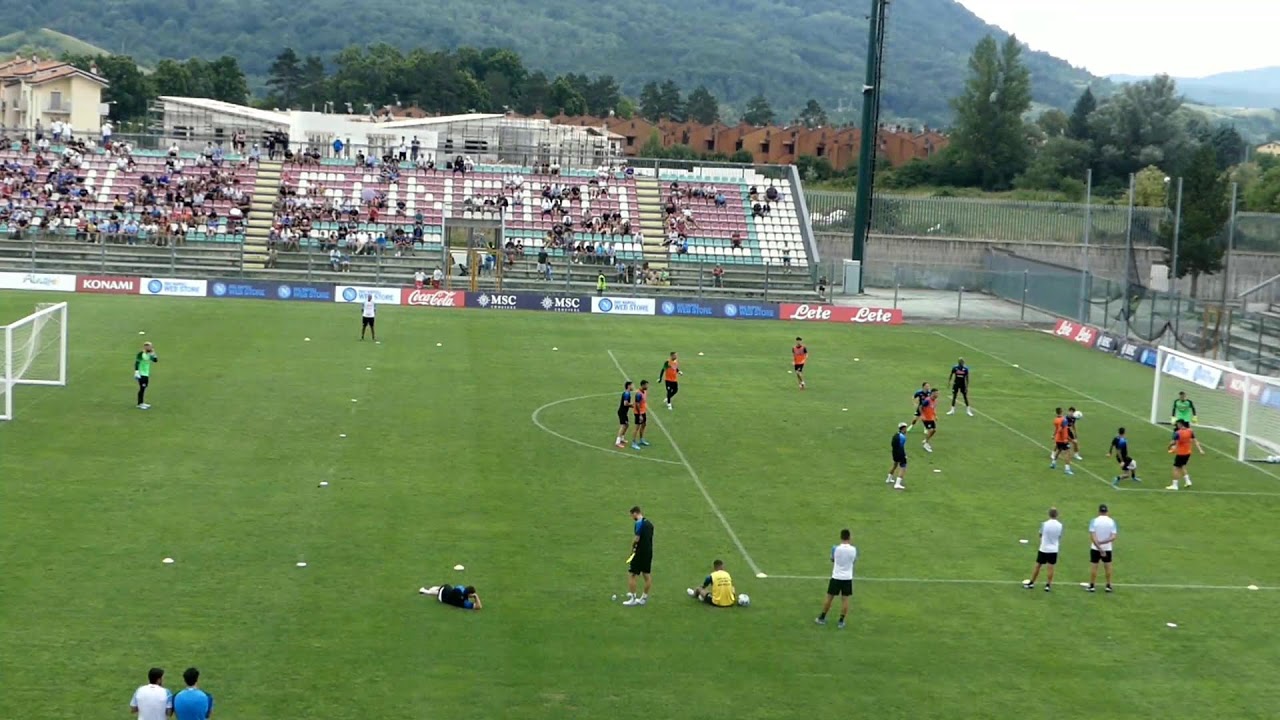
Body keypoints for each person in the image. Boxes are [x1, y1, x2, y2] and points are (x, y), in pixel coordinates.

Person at [816, 528, 857, 629]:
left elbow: (832, 559)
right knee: (845, 600)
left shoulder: (835, 548)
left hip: (836, 577)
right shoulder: (854, 549)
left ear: (841, 537)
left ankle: (822, 617)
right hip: (847, 578)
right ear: (849, 537)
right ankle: (841, 621)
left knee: (829, 598)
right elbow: (853, 561)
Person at [1023, 507, 1063, 592]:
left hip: (1043, 548)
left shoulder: (1044, 524)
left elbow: (1040, 534)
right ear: (1057, 515)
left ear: (1049, 514)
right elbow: (1059, 536)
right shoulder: (1060, 525)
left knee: (1038, 566)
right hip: (1053, 549)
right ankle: (1048, 585)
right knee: (1050, 567)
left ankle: (1032, 583)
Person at [623, 506, 654, 606]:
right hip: (648, 552)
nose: (632, 517)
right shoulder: (649, 524)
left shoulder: (639, 523)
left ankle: (633, 598)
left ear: (635, 513)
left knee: (632, 574)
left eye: (632, 515)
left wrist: (632, 548)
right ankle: (644, 598)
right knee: (646, 575)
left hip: (639, 552)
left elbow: (637, 538)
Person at [1086, 504, 1117, 593]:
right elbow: (1113, 537)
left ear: (1099, 511)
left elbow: (1092, 536)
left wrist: (1099, 547)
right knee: (1108, 567)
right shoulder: (1112, 522)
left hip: (1095, 548)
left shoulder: (1094, 521)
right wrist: (1103, 543)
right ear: (1107, 511)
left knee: (1094, 567)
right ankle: (1108, 586)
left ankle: (1092, 586)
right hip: (1107, 548)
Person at [1167, 419, 1204, 490]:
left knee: (1176, 468)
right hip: (1188, 453)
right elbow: (1195, 441)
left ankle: (1175, 485)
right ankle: (1188, 481)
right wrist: (1200, 450)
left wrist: (1169, 447)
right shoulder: (1190, 431)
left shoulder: (1178, 433)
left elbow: (1174, 443)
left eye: (1177, 424)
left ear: (1180, 424)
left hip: (1180, 453)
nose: (1177, 426)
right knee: (1182, 466)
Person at [418, 584, 483, 609]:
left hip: (444, 590)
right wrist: (475, 596)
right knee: (441, 592)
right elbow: (479, 606)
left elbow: (454, 589)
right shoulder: (465, 603)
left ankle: (429, 590)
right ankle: (426, 591)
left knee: (445, 589)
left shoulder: (460, 588)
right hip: (442, 598)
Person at [1050, 408, 1074, 476]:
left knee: (1059, 450)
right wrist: (1067, 439)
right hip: (1063, 439)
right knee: (1067, 453)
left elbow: (1056, 429)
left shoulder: (1055, 419)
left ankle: (1053, 463)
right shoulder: (1064, 420)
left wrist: (1053, 435)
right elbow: (1062, 430)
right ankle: (1067, 469)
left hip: (1057, 439)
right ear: (1061, 412)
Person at [135, 341, 158, 410]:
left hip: (146, 374)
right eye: (147, 346)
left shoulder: (149, 354)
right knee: (142, 388)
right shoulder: (141, 354)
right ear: (145, 347)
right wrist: (136, 372)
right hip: (141, 374)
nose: (149, 347)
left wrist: (154, 354)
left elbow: (155, 360)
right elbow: (137, 362)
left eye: (150, 346)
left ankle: (142, 403)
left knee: (144, 387)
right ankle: (139, 404)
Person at [886, 422, 908, 490]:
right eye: (905, 428)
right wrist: (904, 455)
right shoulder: (903, 437)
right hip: (900, 453)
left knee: (895, 465)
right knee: (903, 467)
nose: (906, 430)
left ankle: (889, 479)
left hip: (894, 452)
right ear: (903, 429)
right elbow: (901, 447)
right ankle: (897, 484)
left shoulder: (895, 435)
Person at [630, 380, 650, 450]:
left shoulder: (645, 391)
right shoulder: (638, 394)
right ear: (643, 385)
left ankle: (641, 439)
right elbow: (637, 404)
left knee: (644, 425)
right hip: (638, 413)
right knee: (637, 427)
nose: (647, 386)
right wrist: (640, 415)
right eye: (646, 385)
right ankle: (633, 443)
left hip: (643, 412)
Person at [615, 381, 635, 448]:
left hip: (623, 412)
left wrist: (632, 406)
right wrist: (632, 404)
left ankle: (622, 438)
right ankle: (617, 442)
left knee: (626, 425)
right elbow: (625, 403)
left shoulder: (627, 393)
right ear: (629, 386)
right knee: (623, 425)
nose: (633, 386)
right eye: (632, 385)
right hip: (622, 412)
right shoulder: (627, 394)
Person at [920, 389, 939, 453]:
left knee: (934, 430)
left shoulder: (935, 401)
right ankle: (926, 444)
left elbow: (933, 409)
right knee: (930, 430)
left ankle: (926, 440)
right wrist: (922, 415)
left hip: (930, 418)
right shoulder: (927, 400)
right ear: (932, 393)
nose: (937, 395)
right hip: (926, 418)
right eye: (936, 393)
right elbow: (920, 407)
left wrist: (935, 415)